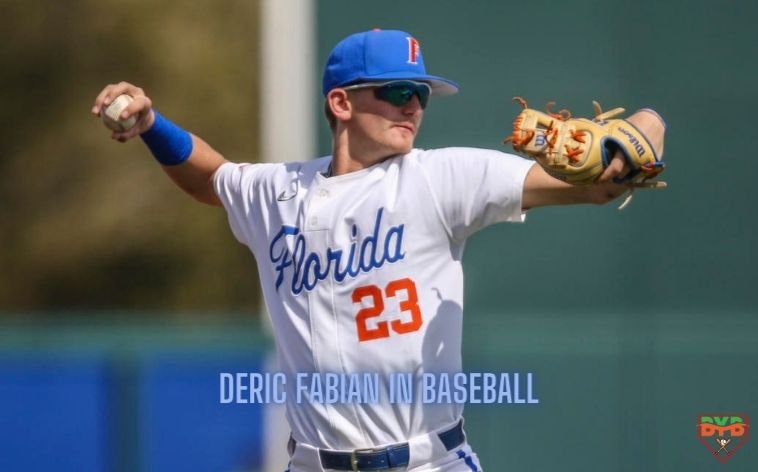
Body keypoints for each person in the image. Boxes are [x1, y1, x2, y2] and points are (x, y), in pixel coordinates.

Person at [92, 29, 665, 472]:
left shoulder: (440, 178)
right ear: (341, 103)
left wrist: (643, 126)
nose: (412, 106)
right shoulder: (278, 191)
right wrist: (149, 124)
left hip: (427, 459)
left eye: (420, 95)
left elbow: (599, 185)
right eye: (396, 92)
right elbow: (210, 179)